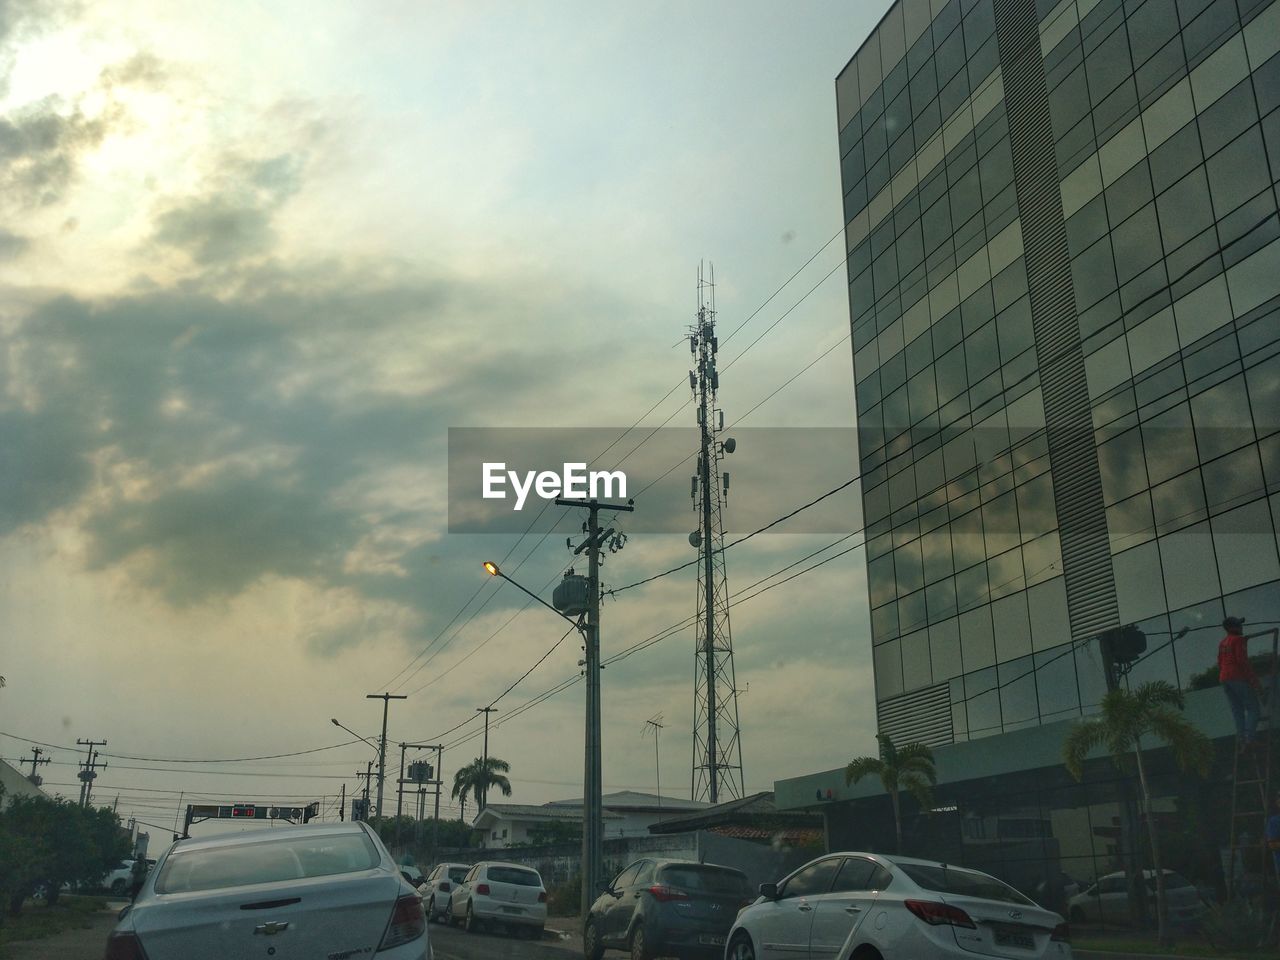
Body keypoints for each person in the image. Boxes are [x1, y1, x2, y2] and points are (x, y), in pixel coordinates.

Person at [1219, 617, 1261, 750]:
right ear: (1233, 627)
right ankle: (1249, 739)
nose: (1241, 627)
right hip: (1237, 677)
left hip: (1225, 678)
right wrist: (1254, 681)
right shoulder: (1238, 640)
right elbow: (1242, 661)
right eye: (1239, 625)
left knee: (1237, 711)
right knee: (1253, 708)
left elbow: (1220, 662)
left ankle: (1242, 740)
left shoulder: (1223, 642)